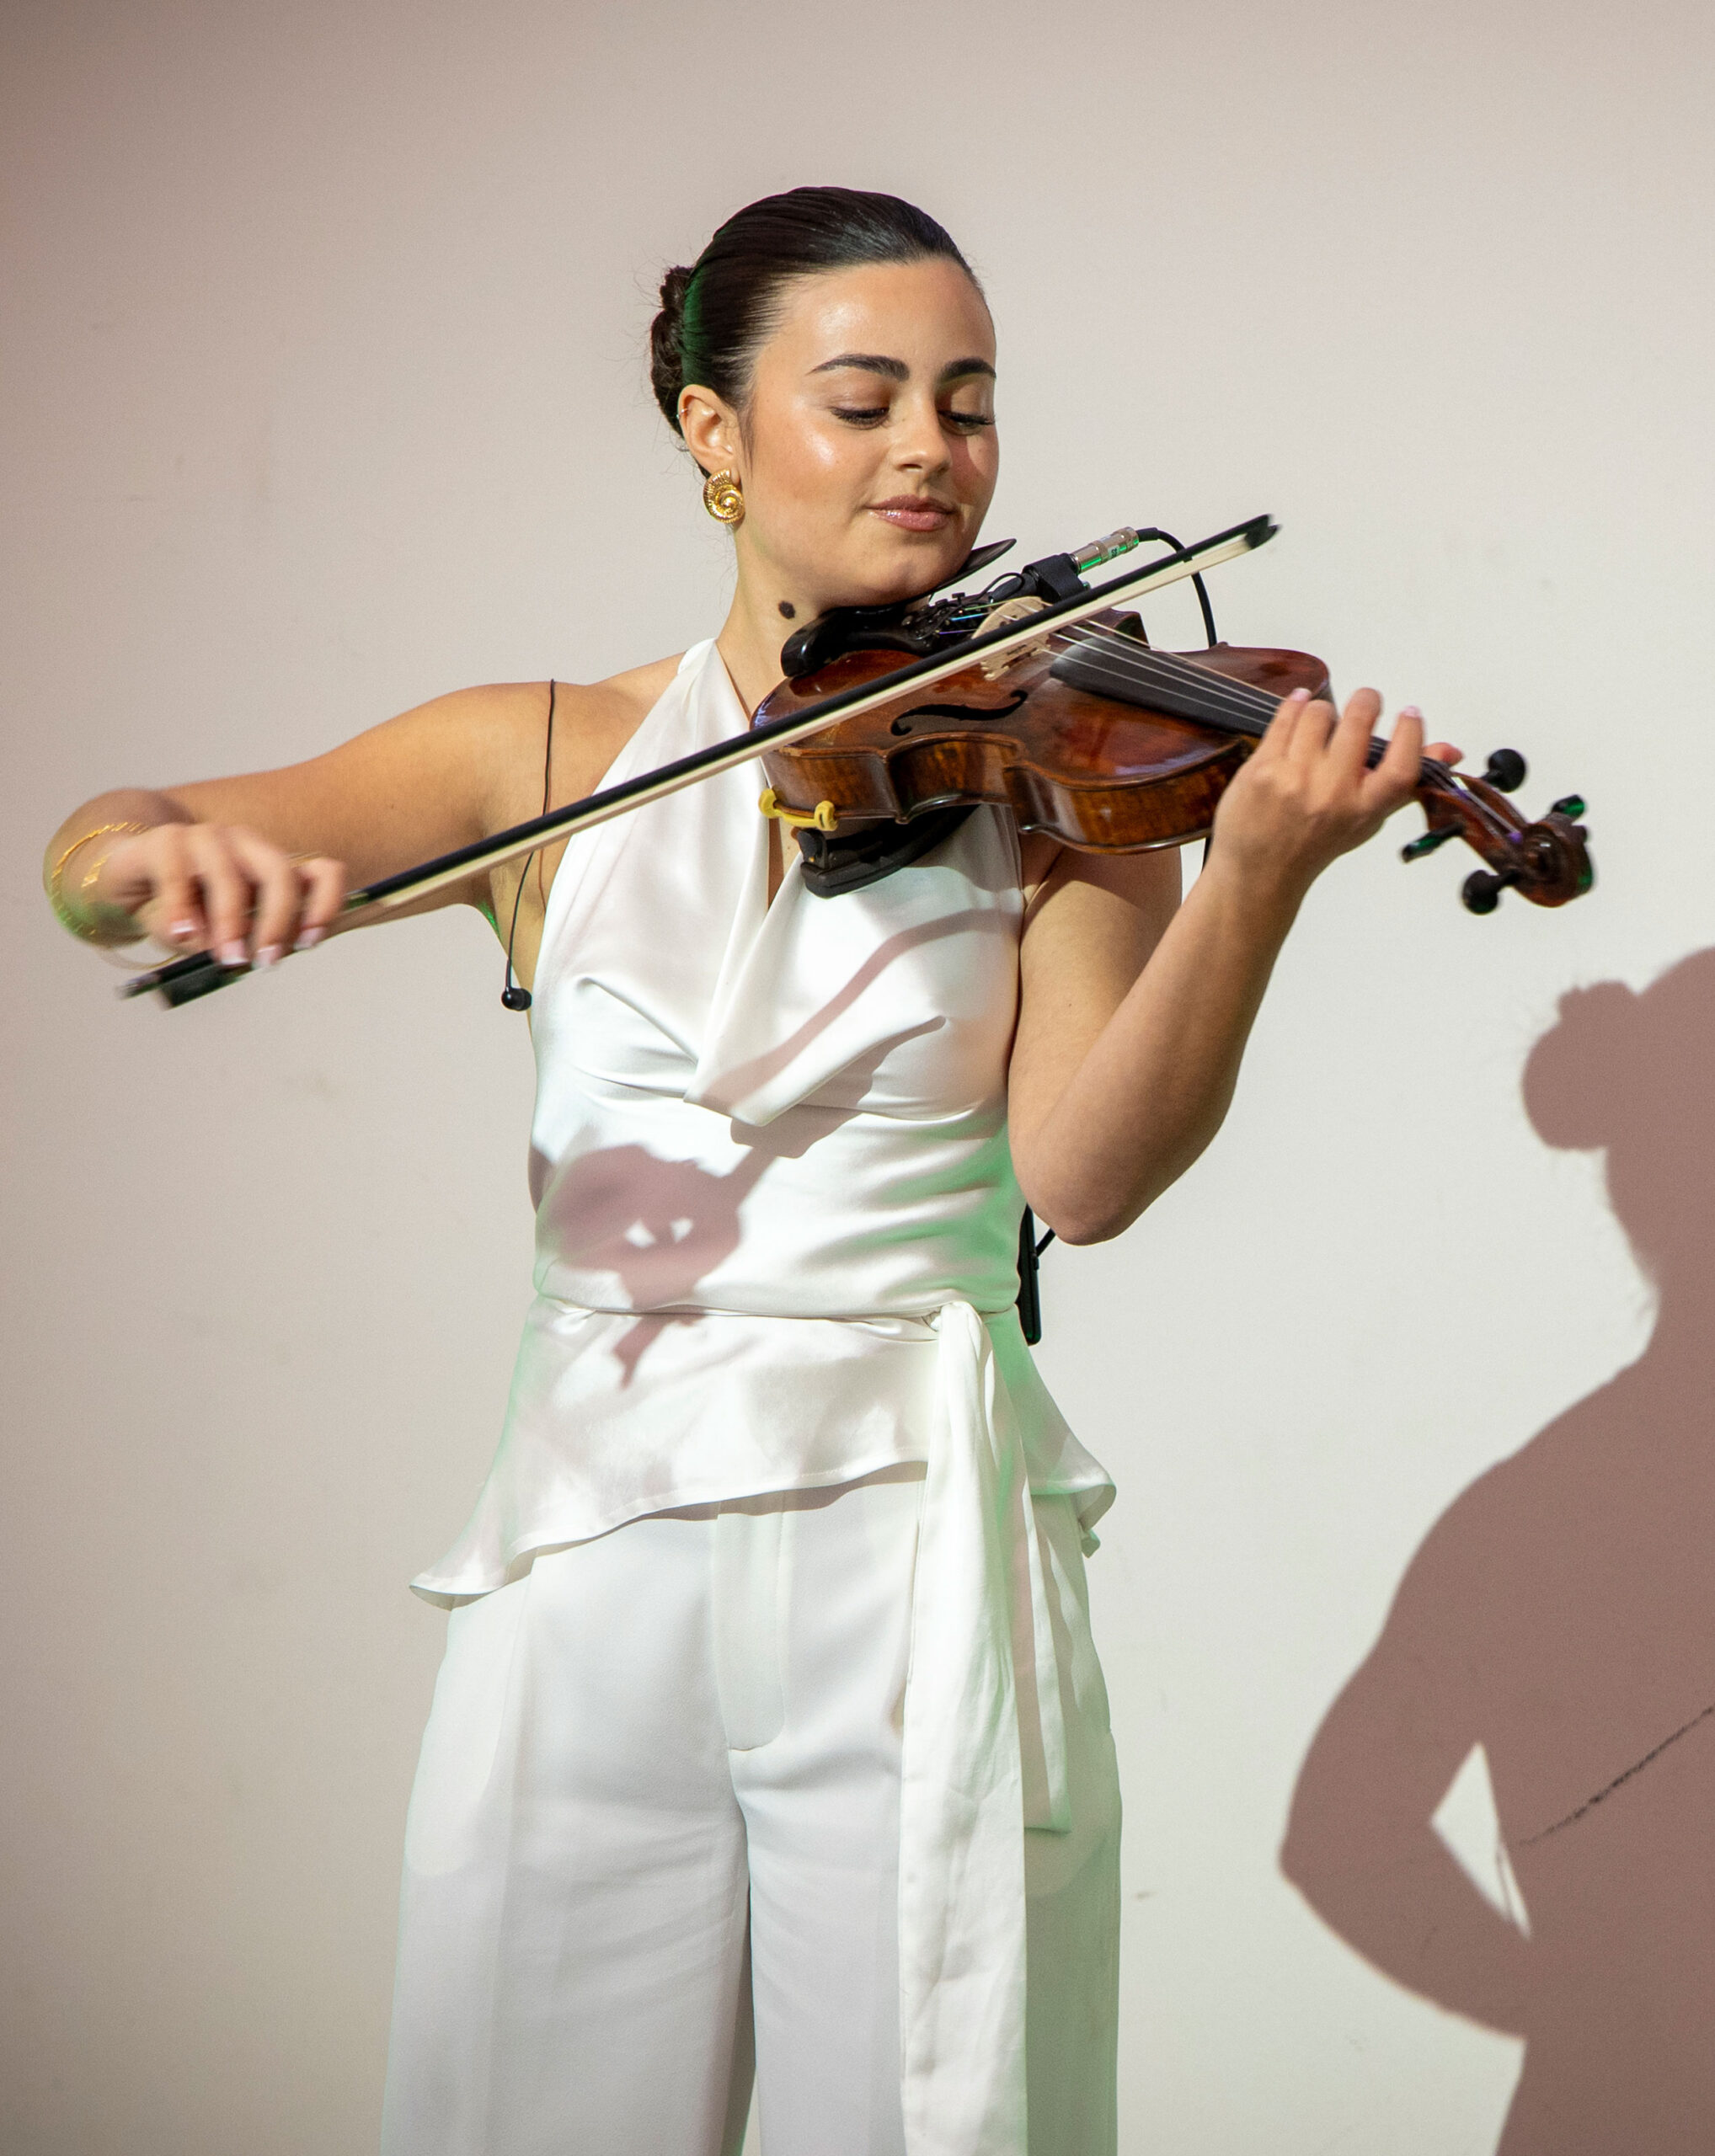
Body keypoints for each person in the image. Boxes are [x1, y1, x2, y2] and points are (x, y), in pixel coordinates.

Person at [41, 186, 1456, 2156]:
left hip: (915, 1549)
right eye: (862, 396)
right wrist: (150, 872)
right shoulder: (539, 755)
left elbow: (1085, 1167)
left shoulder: (1059, 772)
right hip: (591, 1548)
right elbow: (104, 850)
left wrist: (1258, 886)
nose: (929, 452)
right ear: (715, 436)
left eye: (967, 404)